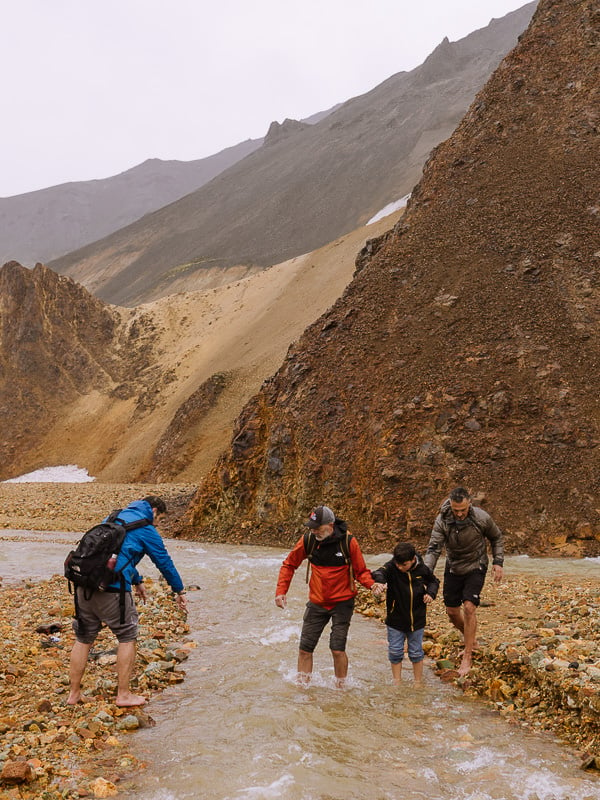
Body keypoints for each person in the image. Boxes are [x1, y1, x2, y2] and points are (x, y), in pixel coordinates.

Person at [67, 496, 188, 707]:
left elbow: (113, 555)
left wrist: (137, 580)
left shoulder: (114, 517)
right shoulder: (146, 529)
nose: (158, 523)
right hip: (113, 591)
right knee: (127, 636)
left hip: (84, 584)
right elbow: (164, 562)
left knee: (84, 638)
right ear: (154, 510)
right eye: (160, 518)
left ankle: (73, 694)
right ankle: (123, 695)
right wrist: (179, 590)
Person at [275, 505, 378, 687]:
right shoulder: (308, 540)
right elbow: (289, 564)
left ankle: (341, 689)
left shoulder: (348, 542)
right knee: (305, 649)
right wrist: (281, 591)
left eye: (317, 527)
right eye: (311, 527)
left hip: (342, 603)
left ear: (330, 525)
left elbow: (361, 572)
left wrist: (372, 585)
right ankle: (303, 688)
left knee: (337, 650)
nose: (313, 531)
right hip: (316, 602)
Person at [423, 487, 504, 677]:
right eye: (455, 510)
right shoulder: (443, 520)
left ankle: (467, 656)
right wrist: (426, 575)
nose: (459, 514)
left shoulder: (481, 518)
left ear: (469, 504)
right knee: (452, 612)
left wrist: (498, 563)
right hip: (453, 566)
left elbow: (496, 537)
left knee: (469, 607)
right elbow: (434, 549)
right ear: (450, 505)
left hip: (476, 564)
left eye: (463, 510)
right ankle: (471, 639)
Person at [370, 542, 439, 686]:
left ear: (413, 559)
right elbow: (379, 572)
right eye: (398, 564)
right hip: (395, 619)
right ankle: (397, 682)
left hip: (417, 619)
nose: (400, 567)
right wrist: (380, 583)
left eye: (404, 565)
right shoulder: (392, 567)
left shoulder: (422, 569)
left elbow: (434, 581)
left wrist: (431, 594)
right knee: (395, 651)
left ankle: (418, 682)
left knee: (416, 652)